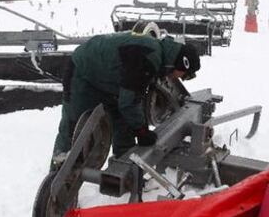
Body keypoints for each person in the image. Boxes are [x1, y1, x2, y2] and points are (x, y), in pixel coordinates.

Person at [51, 31, 200, 166]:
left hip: (109, 77)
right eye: (185, 75)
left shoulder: (159, 54)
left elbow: (130, 98)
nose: (180, 78)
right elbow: (129, 102)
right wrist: (141, 131)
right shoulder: (148, 57)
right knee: (73, 123)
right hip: (82, 71)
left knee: (124, 121)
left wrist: (138, 128)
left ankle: (123, 165)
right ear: (182, 64)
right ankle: (57, 175)